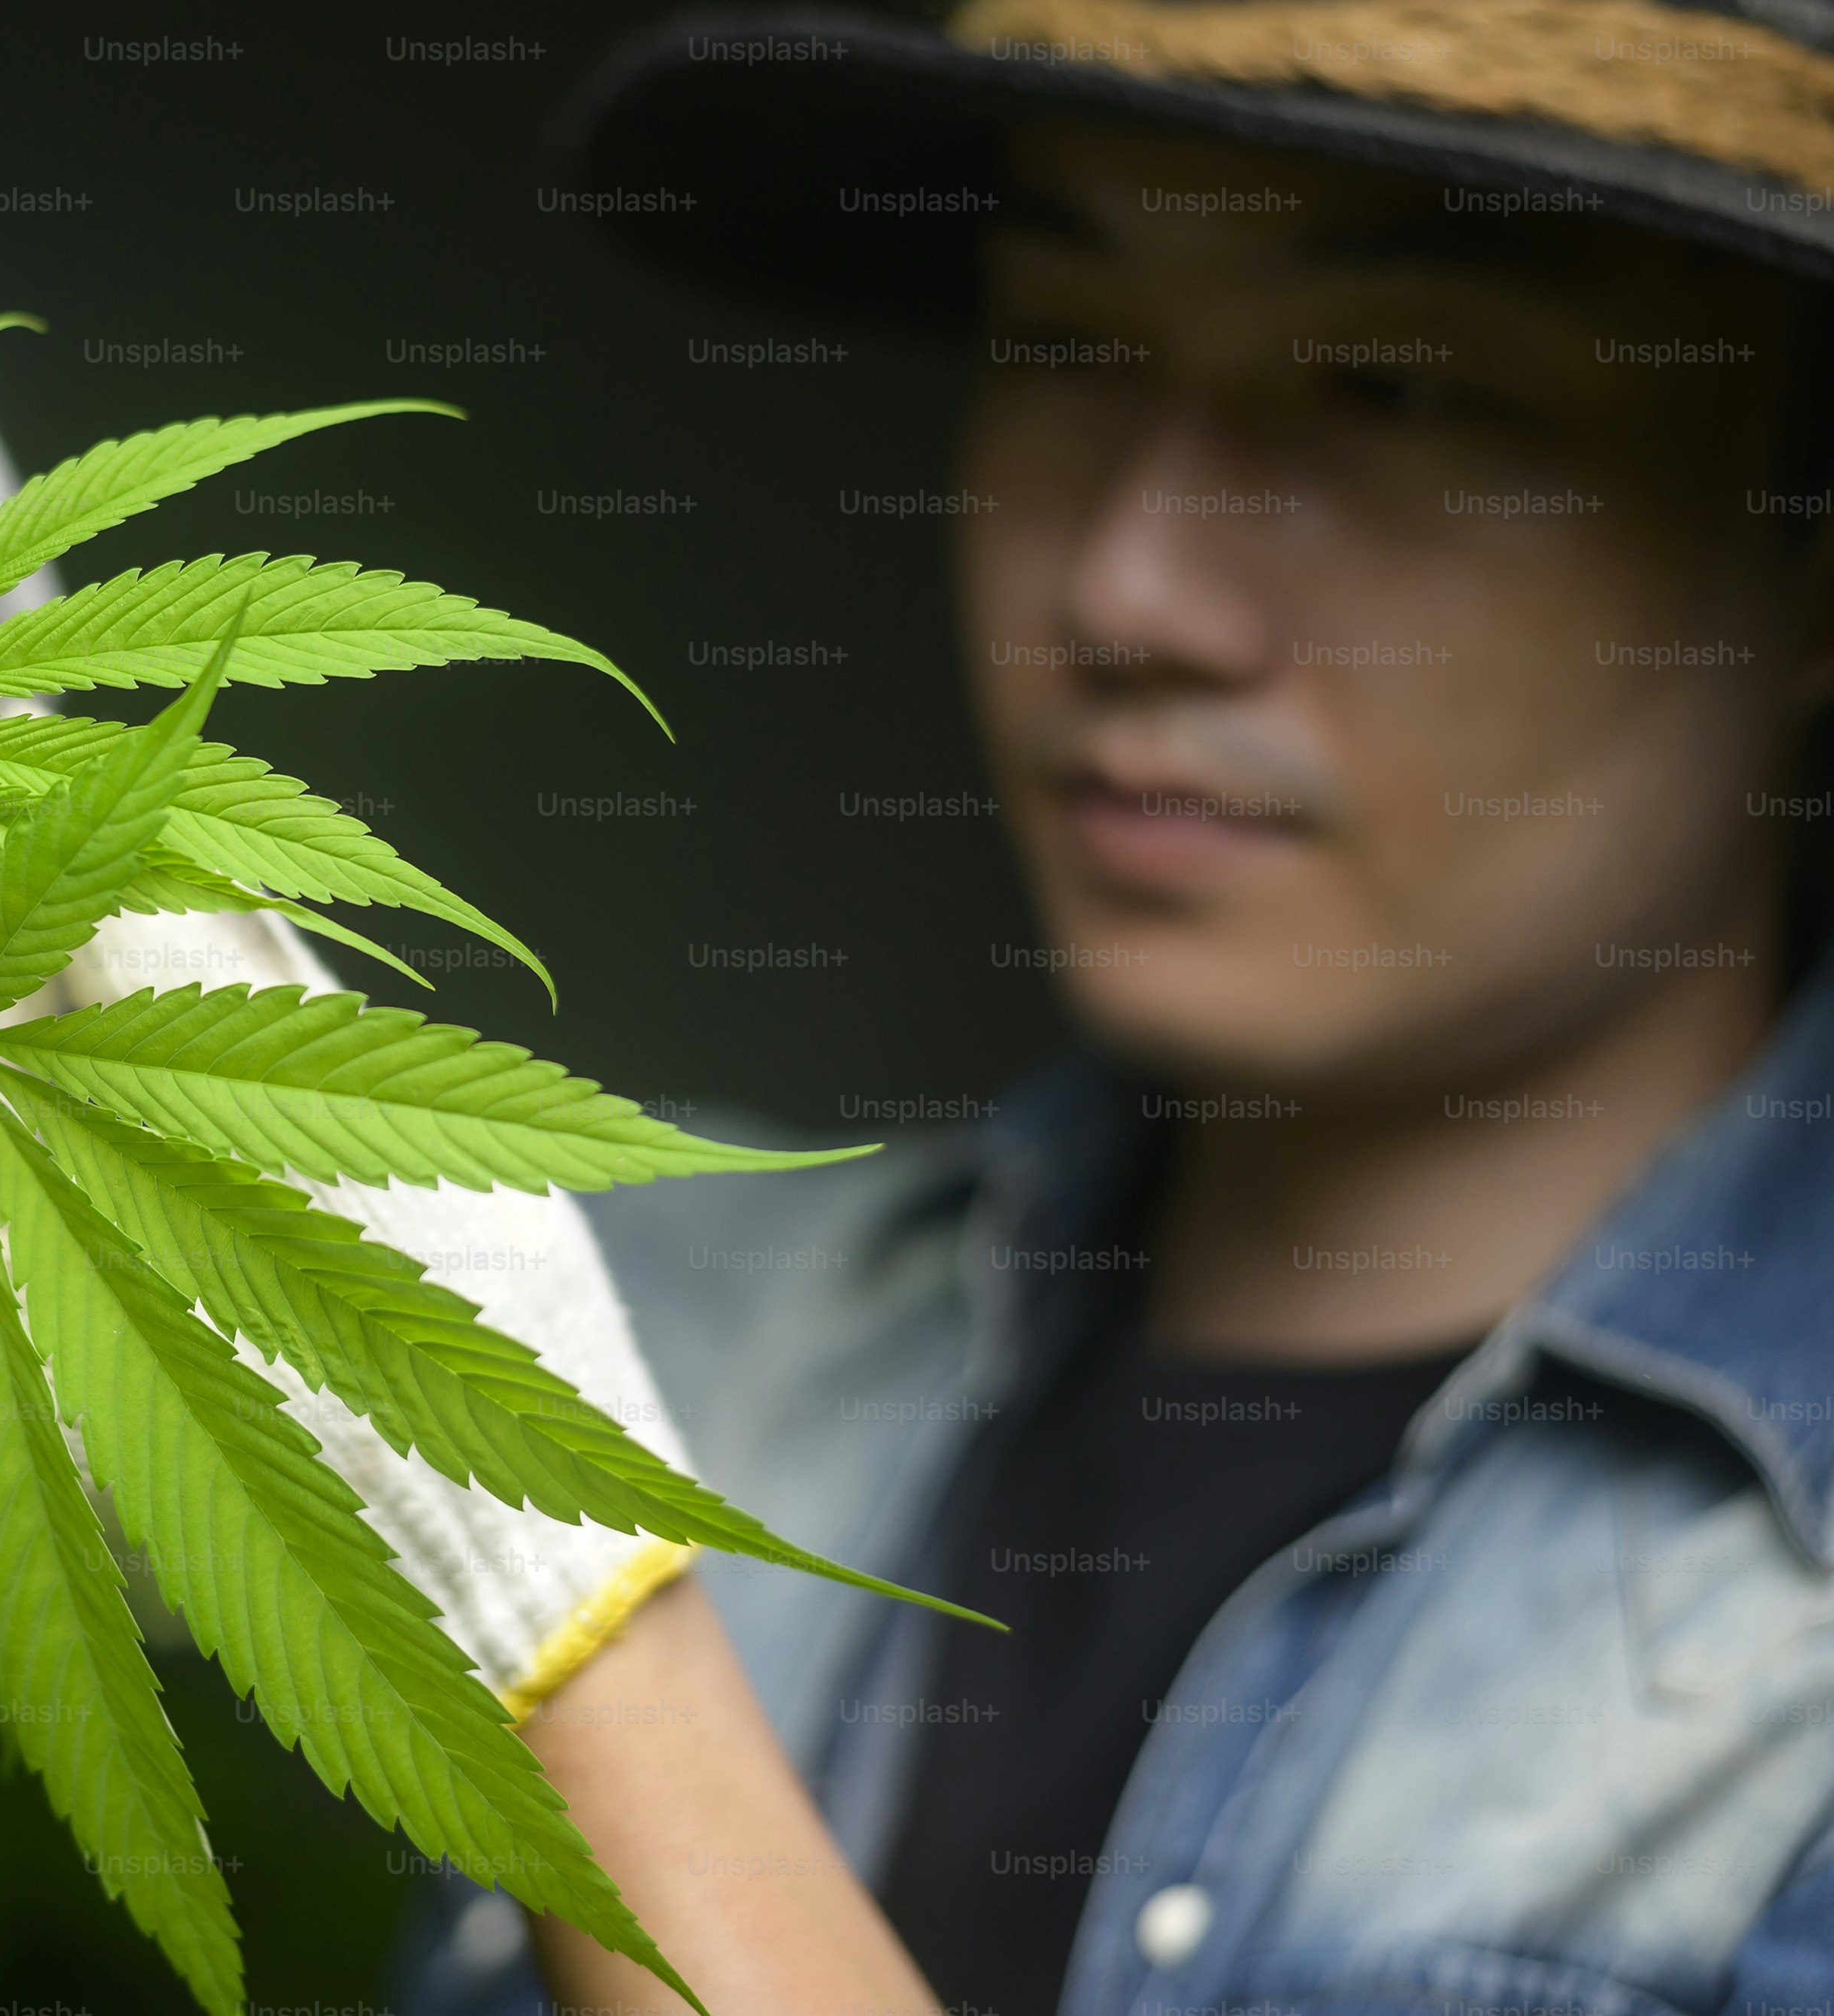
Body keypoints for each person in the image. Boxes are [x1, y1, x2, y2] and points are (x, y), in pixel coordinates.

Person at [380, 5, 1834, 2013]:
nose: (1135, 590)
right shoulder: (682, 1313)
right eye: (1066, 343)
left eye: (1398, 387)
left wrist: (570, 1632)